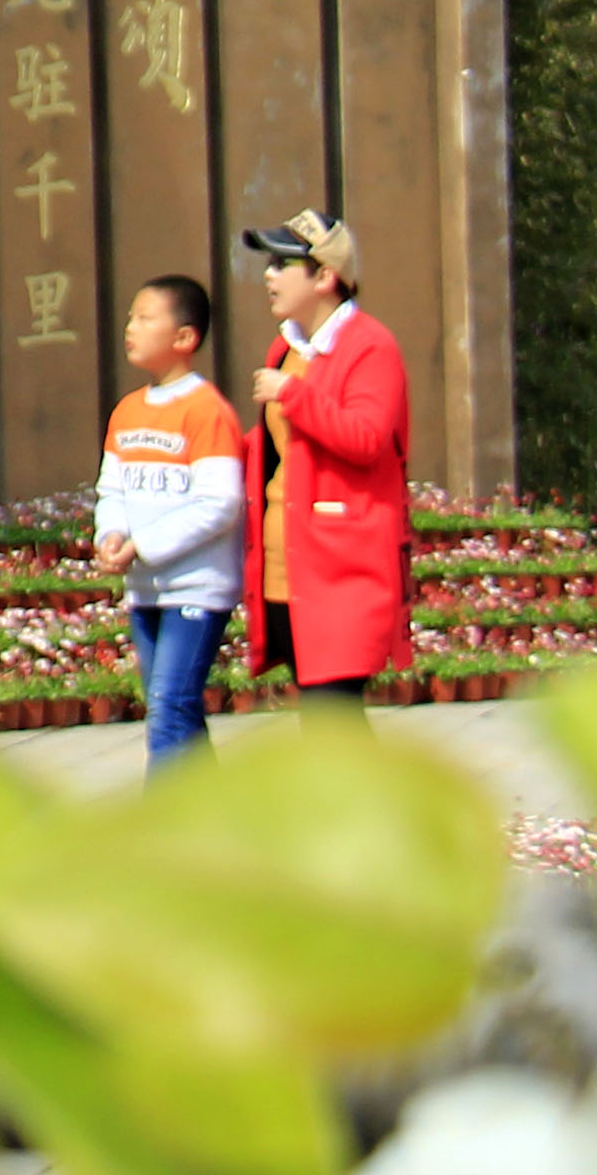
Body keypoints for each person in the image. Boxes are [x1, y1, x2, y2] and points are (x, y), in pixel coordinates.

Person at [242, 208, 412, 711]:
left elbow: (365, 438)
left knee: (333, 719)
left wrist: (293, 396)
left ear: (324, 276)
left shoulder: (370, 347)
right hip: (286, 568)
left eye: (281, 263)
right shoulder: (286, 348)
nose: (269, 276)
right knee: (324, 723)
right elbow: (275, 452)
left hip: (343, 573)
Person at [92, 274, 248, 763]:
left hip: (196, 588)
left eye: (145, 318)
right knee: (176, 710)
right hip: (146, 589)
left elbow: (220, 503)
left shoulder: (207, 411)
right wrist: (111, 534)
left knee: (168, 707)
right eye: (130, 318)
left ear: (185, 338)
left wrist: (144, 544)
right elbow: (111, 490)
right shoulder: (127, 411)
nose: (130, 328)